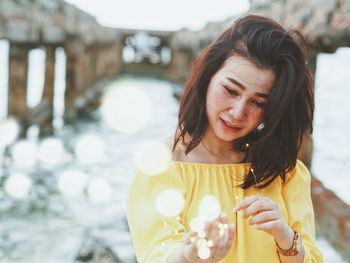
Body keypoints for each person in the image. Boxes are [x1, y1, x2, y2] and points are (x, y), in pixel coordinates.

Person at [126, 14, 323, 263]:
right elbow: (157, 252)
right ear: (207, 77)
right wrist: (190, 256)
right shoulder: (160, 164)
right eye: (231, 90)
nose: (238, 112)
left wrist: (285, 238)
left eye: (258, 102)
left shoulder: (287, 172)